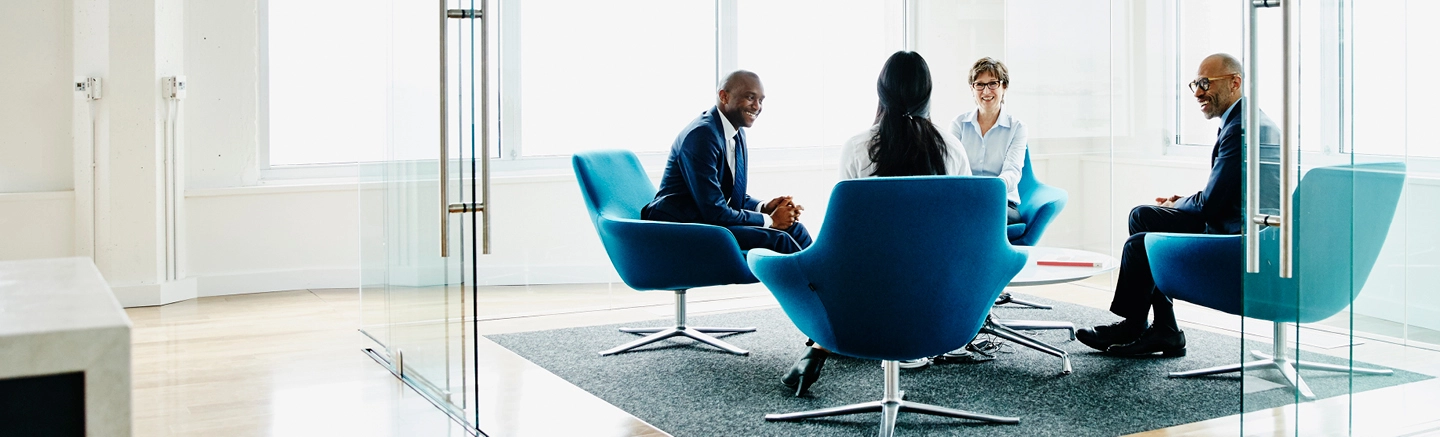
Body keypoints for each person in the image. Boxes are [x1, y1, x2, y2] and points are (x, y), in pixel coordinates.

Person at [783, 51, 971, 397]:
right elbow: (964, 231)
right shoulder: (952, 149)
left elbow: (844, 235)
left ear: (881, 93)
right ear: (928, 95)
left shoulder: (858, 148)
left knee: (836, 262)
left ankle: (821, 345)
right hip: (938, 293)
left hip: (868, 293)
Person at [1075, 53, 1280, 357]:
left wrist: (1178, 203)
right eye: (1195, 83)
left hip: (1238, 239)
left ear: (1235, 82)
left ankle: (1140, 325)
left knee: (1140, 243)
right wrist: (1177, 203)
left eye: (1205, 82)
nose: (1198, 91)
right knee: (1143, 217)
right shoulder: (1242, 120)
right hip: (1232, 223)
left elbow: (1211, 205)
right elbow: (1223, 194)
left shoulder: (1242, 129)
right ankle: (1161, 329)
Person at [642, 70, 813, 255]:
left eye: (761, 100)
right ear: (724, 96)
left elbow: (727, 194)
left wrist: (764, 207)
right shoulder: (702, 136)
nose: (757, 106)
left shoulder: (736, 133)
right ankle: (817, 283)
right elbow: (715, 211)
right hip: (682, 226)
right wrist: (771, 221)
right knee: (780, 238)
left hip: (708, 219)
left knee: (795, 229)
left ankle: (826, 281)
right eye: (750, 97)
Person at [950, 57, 1027, 224]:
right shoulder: (958, 124)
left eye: (993, 83)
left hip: (1001, 201)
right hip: (964, 198)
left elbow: (1012, 171)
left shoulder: (1017, 128)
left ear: (1004, 87)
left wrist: (990, 191)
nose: (986, 92)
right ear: (972, 88)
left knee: (981, 216)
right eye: (979, 84)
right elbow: (951, 166)